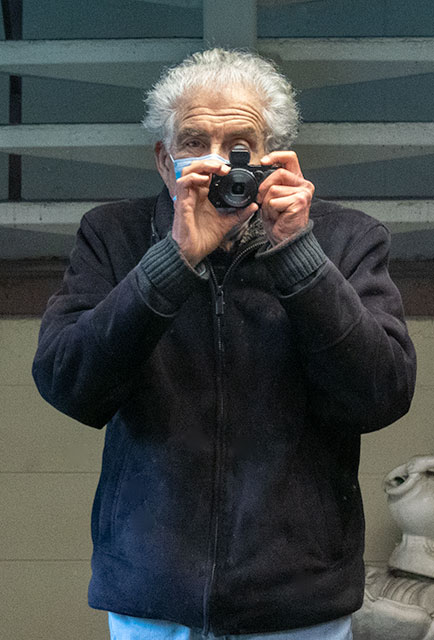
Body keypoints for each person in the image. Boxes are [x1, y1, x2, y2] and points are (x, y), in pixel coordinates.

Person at [32, 49, 416, 640]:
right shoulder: (114, 235)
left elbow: (381, 395)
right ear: (164, 160)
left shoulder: (346, 238)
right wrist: (173, 260)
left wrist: (297, 251)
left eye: (239, 146)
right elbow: (69, 383)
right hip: (153, 593)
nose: (217, 164)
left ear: (273, 159)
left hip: (298, 600)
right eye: (194, 142)